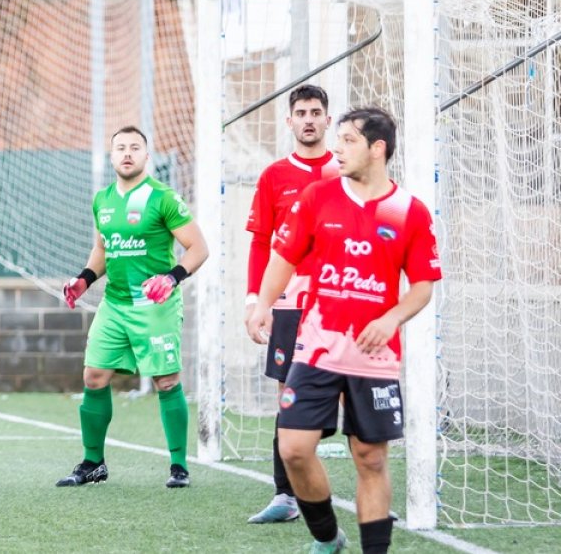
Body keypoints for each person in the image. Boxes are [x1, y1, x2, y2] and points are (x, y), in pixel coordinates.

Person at [246, 107, 441, 554]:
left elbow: (423, 287)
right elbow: (284, 257)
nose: (338, 147)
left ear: (378, 149)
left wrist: (391, 317)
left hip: (373, 358)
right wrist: (261, 303)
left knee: (370, 458)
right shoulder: (319, 197)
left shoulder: (409, 211)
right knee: (294, 447)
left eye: (349, 140)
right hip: (316, 348)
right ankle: (328, 537)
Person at [57, 125, 209, 489]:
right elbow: (103, 250)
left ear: (146, 155)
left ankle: (179, 466)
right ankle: (93, 462)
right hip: (115, 304)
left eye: (135, 147)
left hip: (155, 305)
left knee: (166, 380)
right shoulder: (103, 199)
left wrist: (171, 278)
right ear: (111, 156)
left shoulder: (163, 198)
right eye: (120, 148)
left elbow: (199, 248)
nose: (127, 153)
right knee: (93, 377)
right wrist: (84, 280)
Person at [243, 84, 339, 524]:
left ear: (327, 119)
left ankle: (358, 487)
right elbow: (262, 243)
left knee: (347, 391)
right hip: (288, 304)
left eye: (315, 112)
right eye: (300, 112)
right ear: (289, 121)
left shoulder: (345, 170)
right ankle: (284, 495)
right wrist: (254, 299)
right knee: (288, 392)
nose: (308, 119)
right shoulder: (274, 176)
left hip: (339, 302)